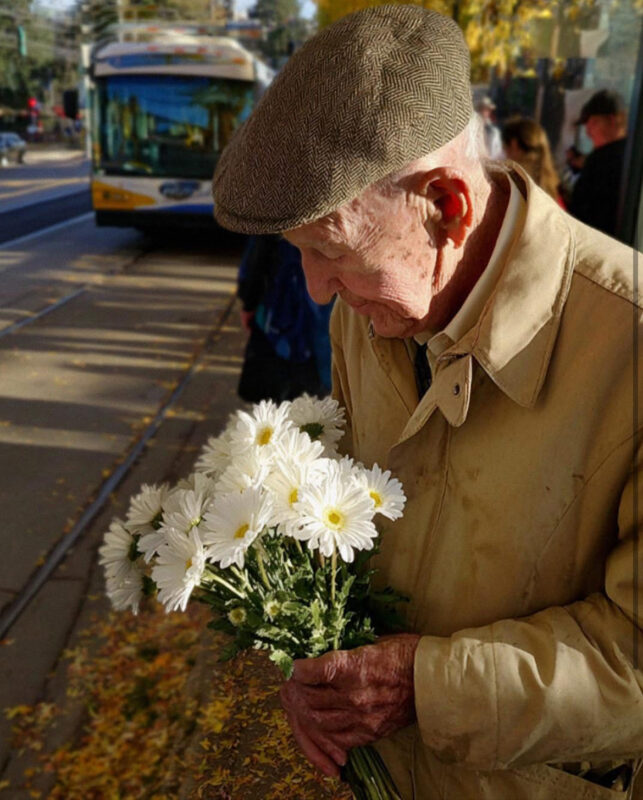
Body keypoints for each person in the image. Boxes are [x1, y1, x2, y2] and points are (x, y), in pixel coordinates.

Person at [212, 6, 642, 799]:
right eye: (297, 255)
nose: (314, 291)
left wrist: (427, 686)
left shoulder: (629, 346)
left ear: (446, 205)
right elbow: (345, 523)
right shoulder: (358, 319)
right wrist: (311, 666)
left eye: (331, 251)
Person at [236, 234, 333, 402]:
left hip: (283, 310)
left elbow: (258, 255)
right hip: (319, 312)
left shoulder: (272, 213)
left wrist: (249, 303)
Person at [568, 88, 628, 239]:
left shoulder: (605, 160)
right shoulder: (626, 154)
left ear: (614, 120)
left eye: (593, 122)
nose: (588, 131)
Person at [501, 116, 565, 206]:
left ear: (514, 144)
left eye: (504, 147)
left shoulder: (512, 187)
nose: (504, 154)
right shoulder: (554, 189)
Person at [476, 95, 504, 159]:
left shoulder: (494, 130)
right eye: (483, 109)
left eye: (487, 110)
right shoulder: (473, 128)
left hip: (492, 161)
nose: (485, 112)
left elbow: (498, 149)